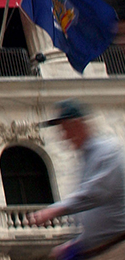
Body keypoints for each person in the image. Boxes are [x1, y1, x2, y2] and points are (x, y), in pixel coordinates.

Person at [29, 100, 125, 260]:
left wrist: (54, 210)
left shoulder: (107, 151)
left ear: (77, 125)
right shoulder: (86, 159)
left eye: (65, 129)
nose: (64, 136)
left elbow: (94, 193)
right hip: (99, 250)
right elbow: (95, 219)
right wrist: (73, 244)